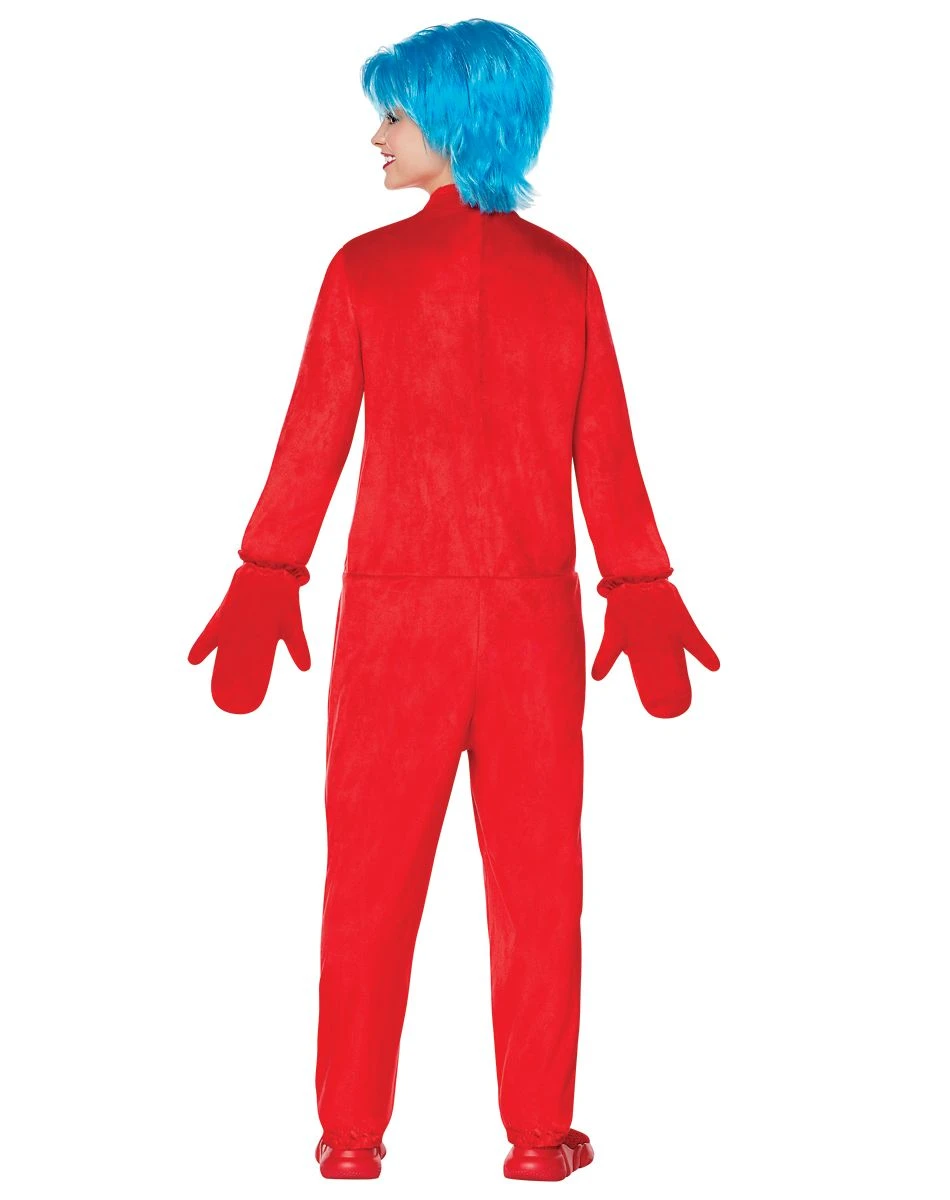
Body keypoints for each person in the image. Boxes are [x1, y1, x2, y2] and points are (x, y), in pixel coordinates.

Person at [188, 17, 720, 1183]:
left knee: (366, 889)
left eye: (395, 114)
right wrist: (635, 583)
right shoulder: (564, 276)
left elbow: (311, 439)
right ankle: (536, 1138)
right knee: (539, 890)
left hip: (396, 625)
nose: (376, 136)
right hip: (529, 627)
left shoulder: (363, 272)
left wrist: (268, 571)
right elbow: (603, 451)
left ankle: (349, 1137)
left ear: (456, 122)